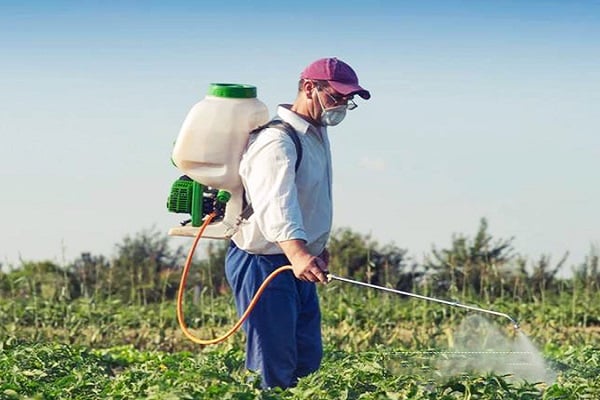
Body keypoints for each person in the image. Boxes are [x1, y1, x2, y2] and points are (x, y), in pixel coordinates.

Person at [225, 57, 371, 389]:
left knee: (306, 360)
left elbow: (311, 198)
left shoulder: (315, 134)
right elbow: (277, 203)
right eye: (336, 97)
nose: (342, 106)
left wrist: (317, 246)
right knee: (274, 366)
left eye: (348, 101)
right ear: (309, 88)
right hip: (264, 262)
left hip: (295, 259)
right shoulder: (277, 140)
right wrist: (299, 252)